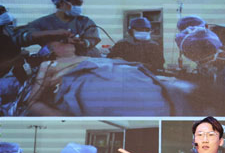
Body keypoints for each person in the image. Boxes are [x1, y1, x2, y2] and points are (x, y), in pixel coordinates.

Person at [23, 39, 174, 116]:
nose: (68, 41)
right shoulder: (50, 64)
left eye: (69, 39)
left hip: (127, 77)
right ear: (50, 48)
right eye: (61, 40)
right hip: (96, 87)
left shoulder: (92, 57)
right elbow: (32, 102)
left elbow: (114, 63)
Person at [21, 0, 100, 56]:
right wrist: (53, 33)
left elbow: (92, 39)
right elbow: (23, 36)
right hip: (57, 62)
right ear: (61, 3)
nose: (78, 7)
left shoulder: (85, 22)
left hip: (84, 59)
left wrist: (82, 42)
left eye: (79, 4)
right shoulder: (43, 22)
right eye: (75, 3)